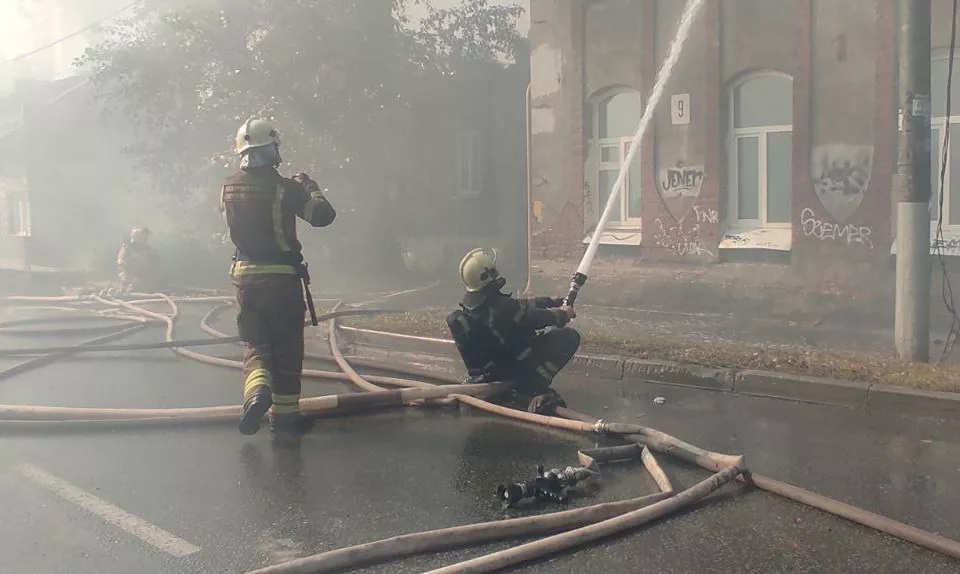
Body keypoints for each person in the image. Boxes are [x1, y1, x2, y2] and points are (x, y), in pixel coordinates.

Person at [220, 118, 336, 436]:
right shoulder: (285, 188)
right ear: (270, 149)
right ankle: (285, 418)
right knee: (286, 347)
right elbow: (323, 216)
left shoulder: (227, 187)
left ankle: (257, 392)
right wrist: (309, 186)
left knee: (255, 343)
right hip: (281, 281)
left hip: (245, 280)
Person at [446, 247, 580, 414]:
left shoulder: (476, 308)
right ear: (487, 275)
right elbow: (536, 318)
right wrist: (563, 314)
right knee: (569, 336)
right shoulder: (501, 308)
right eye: (493, 269)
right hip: (517, 367)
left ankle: (518, 385)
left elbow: (520, 306)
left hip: (489, 374)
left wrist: (550, 301)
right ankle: (534, 385)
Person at [116, 227, 162, 292]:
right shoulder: (127, 248)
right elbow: (120, 262)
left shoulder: (148, 250)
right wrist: (126, 275)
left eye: (143, 236)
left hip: (144, 278)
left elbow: (155, 263)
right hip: (129, 278)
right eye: (139, 236)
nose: (143, 238)